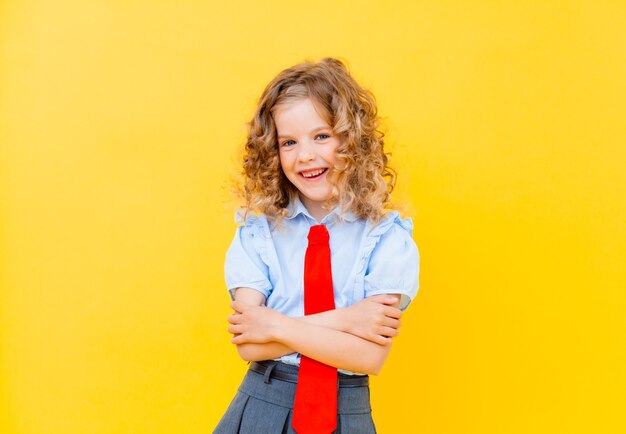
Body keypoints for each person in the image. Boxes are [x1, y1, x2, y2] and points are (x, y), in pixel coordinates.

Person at [214, 58, 419, 434]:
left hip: (344, 412)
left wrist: (273, 324)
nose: (305, 155)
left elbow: (370, 355)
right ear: (272, 153)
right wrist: (345, 320)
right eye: (288, 142)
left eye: (321, 136)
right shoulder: (257, 232)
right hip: (262, 403)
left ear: (352, 138)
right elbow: (249, 346)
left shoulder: (388, 238)